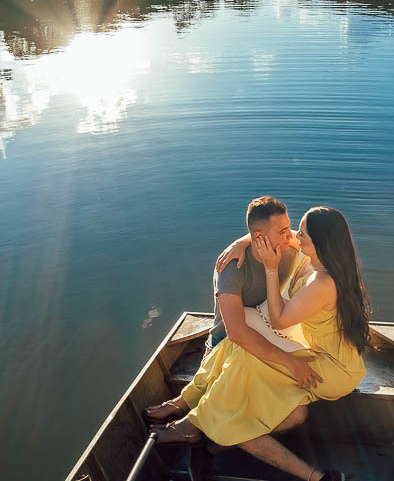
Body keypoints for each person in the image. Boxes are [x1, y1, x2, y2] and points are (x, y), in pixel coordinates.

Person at [148, 206, 371, 481]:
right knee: (236, 343)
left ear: (320, 243)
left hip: (332, 368)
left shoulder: (323, 281)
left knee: (245, 358)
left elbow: (278, 321)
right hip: (320, 351)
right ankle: (188, 403)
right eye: (296, 230)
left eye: (302, 234)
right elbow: (268, 233)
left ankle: (191, 426)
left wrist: (270, 269)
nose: (294, 236)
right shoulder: (314, 255)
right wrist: (241, 242)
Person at [144, 196, 320, 432]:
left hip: (266, 329)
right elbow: (236, 333)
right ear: (260, 238)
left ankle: (206, 427)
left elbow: (314, 242)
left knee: (293, 411)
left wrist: (243, 240)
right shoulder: (231, 268)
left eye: (290, 228)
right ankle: (185, 410)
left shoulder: (286, 247)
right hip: (226, 339)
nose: (292, 235)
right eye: (284, 230)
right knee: (219, 392)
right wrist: (291, 363)